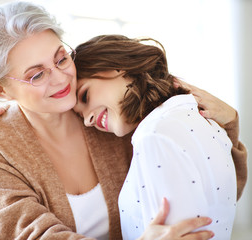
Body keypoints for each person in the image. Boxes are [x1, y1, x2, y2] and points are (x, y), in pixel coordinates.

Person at [0, 1, 247, 240]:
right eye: (37, 75)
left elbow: (209, 189)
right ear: (1, 90)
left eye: (61, 58)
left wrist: (229, 121)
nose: (61, 78)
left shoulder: (114, 116)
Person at [71, 34, 243, 239]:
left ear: (116, 67)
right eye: (80, 115)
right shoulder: (204, 120)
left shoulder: (153, 136)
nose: (88, 120)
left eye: (85, 96)